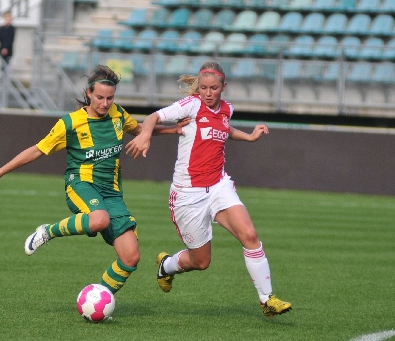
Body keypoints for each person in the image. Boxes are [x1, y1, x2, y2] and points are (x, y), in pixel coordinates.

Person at [0, 65, 186, 297]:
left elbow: (138, 129)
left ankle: (98, 297)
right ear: (88, 94)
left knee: (130, 257)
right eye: (99, 97)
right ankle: (48, 231)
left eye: (110, 98)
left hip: (112, 192)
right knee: (99, 220)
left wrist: (173, 129)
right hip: (81, 184)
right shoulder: (70, 123)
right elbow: (37, 150)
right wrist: (0, 172)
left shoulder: (117, 114)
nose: (105, 103)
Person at [125, 60, 292, 318]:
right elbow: (153, 117)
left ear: (224, 86)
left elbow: (224, 129)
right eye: (203, 87)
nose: (208, 92)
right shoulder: (191, 105)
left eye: (214, 88)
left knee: (249, 234)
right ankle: (167, 266)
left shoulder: (227, 109)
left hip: (218, 186)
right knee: (201, 261)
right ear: (198, 87)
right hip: (187, 193)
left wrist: (248, 136)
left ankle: (267, 299)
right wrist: (145, 134)